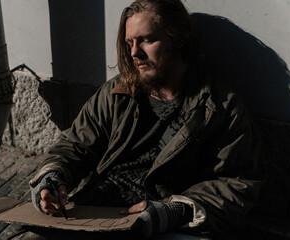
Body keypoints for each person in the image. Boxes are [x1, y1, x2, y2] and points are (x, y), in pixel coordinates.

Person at [27, 0, 262, 239]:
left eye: (147, 40)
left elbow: (239, 183)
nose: (134, 53)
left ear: (178, 39)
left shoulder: (220, 107)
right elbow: (76, 144)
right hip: (97, 209)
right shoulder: (119, 92)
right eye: (130, 42)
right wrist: (52, 177)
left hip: (156, 224)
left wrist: (175, 211)